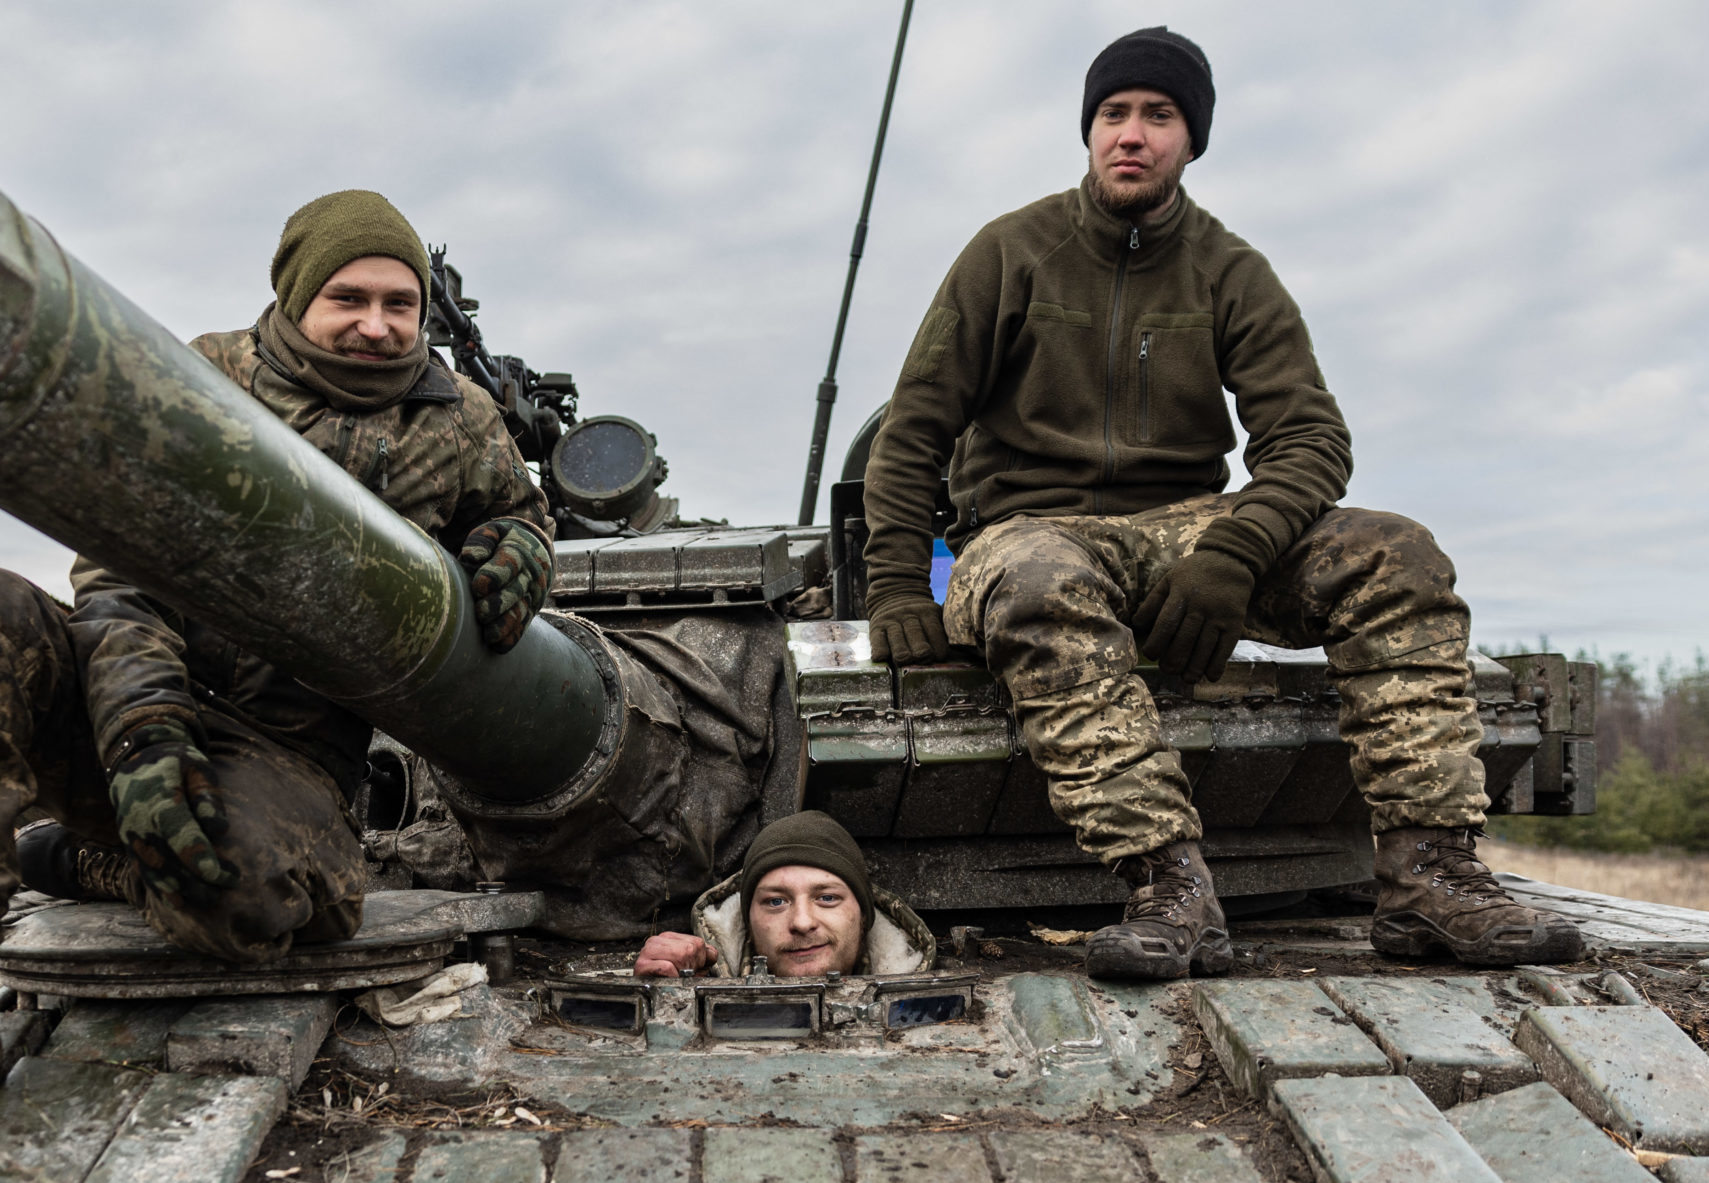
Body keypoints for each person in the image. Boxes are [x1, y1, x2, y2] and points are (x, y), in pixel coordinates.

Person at [0, 190, 556, 1183]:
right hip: (131, 683)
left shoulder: (462, 419)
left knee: (257, 899)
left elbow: (520, 511)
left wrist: (518, 543)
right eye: (348, 298)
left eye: (401, 304)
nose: (376, 325)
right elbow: (122, 568)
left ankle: (94, 860)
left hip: (288, 746)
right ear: (295, 293)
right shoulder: (200, 377)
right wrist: (141, 729)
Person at [858, 28, 1581, 982]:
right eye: (1113, 113)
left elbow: (1311, 438)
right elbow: (914, 429)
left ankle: (1430, 877)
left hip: (1185, 524)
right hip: (1024, 527)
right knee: (1038, 576)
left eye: (1158, 116)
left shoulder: (1229, 270)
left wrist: (1233, 552)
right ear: (1088, 130)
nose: (1131, 134)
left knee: (1398, 553)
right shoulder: (1010, 252)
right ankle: (1171, 886)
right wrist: (895, 587)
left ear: (1191, 139)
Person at [634, 811, 934, 978]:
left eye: (827, 898)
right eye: (776, 901)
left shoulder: (928, 998)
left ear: (864, 916)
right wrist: (660, 993)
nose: (802, 923)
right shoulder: (695, 983)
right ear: (747, 924)